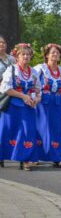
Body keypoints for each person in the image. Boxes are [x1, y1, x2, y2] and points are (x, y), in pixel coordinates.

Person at [0, 43, 41, 171]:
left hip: (28, 107)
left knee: (27, 132)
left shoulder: (34, 72)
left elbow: (39, 91)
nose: (26, 57)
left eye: (28, 55)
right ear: (17, 57)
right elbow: (5, 88)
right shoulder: (12, 69)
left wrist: (36, 100)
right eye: (23, 54)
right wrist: (23, 96)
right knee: (7, 131)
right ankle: (2, 156)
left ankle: (25, 160)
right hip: (13, 106)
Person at [35, 43, 61, 169]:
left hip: (57, 102)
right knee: (41, 128)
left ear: (60, 56)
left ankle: (57, 158)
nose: (55, 54)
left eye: (57, 52)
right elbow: (32, 84)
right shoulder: (40, 68)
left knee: (56, 130)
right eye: (52, 52)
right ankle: (35, 157)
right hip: (42, 102)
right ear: (46, 55)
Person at [0, 35, 15, 168]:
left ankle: (4, 154)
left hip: (9, 96)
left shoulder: (12, 59)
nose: (2, 45)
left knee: (5, 126)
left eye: (3, 42)